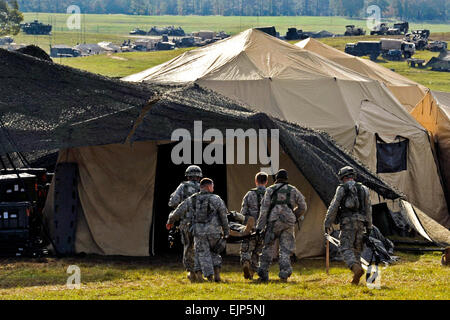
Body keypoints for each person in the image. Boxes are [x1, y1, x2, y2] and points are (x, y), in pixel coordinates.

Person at [167, 178, 230, 282]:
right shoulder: (217, 199)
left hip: (199, 232)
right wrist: (226, 232)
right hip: (214, 232)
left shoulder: (192, 199)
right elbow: (224, 216)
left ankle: (207, 276)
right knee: (215, 252)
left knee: (201, 253)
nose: (213, 188)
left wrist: (170, 221)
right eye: (212, 186)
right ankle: (217, 275)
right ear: (209, 187)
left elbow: (179, 210)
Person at [323, 166, 372, 285]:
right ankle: (356, 279)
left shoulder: (342, 188)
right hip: (361, 222)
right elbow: (368, 209)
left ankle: (356, 269)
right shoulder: (364, 189)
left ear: (343, 177)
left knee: (345, 248)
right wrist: (369, 227)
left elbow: (334, 206)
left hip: (347, 222)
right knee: (357, 250)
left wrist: (327, 223)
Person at [256, 169, 307, 282]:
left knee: (268, 247)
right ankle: (284, 273)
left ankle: (263, 273)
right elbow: (303, 206)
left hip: (273, 222)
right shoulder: (293, 190)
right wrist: (294, 216)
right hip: (288, 223)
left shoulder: (270, 190)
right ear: (286, 178)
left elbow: (264, 210)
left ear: (277, 178)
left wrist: (259, 227)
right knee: (285, 249)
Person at [167, 165, 202, 282]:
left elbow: (173, 202)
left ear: (187, 176)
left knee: (188, 246)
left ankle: (191, 272)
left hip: (186, 222)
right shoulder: (205, 187)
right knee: (200, 247)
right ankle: (199, 271)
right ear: (199, 176)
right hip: (202, 223)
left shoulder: (183, 187)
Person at [239, 172, 268, 279]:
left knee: (246, 249)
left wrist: (243, 226)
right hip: (264, 227)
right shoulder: (270, 194)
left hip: (250, 226)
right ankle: (252, 270)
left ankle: (246, 262)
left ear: (256, 181)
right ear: (266, 182)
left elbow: (243, 212)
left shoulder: (249, 194)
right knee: (258, 251)